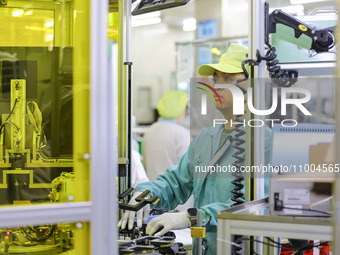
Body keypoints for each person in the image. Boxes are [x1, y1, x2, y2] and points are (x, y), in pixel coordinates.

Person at [118, 43, 272, 255]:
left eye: (228, 79)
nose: (217, 86)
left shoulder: (265, 141)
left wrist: (189, 217)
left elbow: (253, 203)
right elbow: (174, 183)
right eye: (216, 79)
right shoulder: (205, 139)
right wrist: (145, 194)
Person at [142, 90, 190, 181]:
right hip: (173, 192)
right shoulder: (181, 133)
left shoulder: (149, 131)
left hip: (152, 190)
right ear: (180, 109)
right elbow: (187, 170)